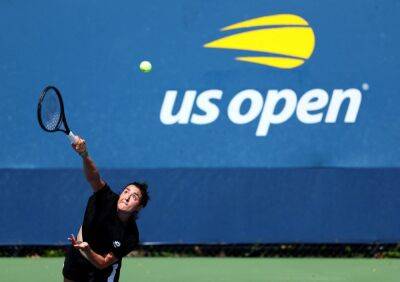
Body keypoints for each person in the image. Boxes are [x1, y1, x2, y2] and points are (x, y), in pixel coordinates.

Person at [62, 137, 149, 282]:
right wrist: (84, 154)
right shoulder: (106, 198)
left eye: (134, 196)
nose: (127, 197)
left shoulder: (130, 236)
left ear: (139, 207)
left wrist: (88, 250)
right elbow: (94, 178)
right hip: (77, 256)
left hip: (102, 270)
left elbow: (103, 263)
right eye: (126, 191)